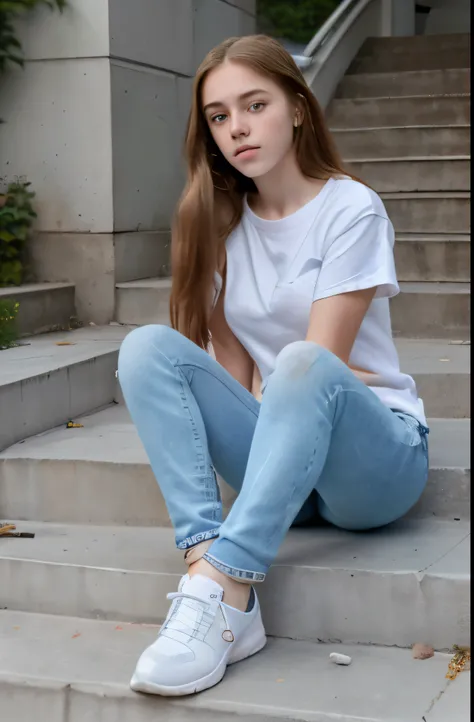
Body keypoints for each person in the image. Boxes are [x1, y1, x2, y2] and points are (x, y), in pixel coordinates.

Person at [118, 34, 429, 697]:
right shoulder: (222, 226)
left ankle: (221, 588)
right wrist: (272, 388)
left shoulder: (350, 208)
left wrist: (284, 383)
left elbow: (320, 364)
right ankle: (206, 556)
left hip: (374, 465)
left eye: (254, 105)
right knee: (146, 348)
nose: (237, 128)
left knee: (302, 363)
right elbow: (233, 376)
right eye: (219, 116)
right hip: (289, 465)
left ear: (296, 108)